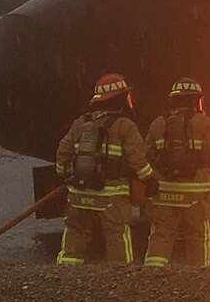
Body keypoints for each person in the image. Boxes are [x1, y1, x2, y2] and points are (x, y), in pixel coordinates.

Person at [54, 73, 154, 265]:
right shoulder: (125, 126)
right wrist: (150, 180)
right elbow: (138, 161)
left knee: (75, 232)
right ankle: (119, 275)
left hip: (79, 191)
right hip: (111, 194)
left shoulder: (80, 123)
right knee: (116, 233)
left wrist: (63, 174)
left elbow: (63, 152)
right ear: (121, 99)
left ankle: (67, 273)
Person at [144, 79, 210, 268]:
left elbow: (146, 155)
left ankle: (151, 276)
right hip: (195, 192)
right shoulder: (204, 123)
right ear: (196, 100)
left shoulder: (158, 124)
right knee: (197, 235)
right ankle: (197, 278)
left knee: (161, 234)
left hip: (164, 192)